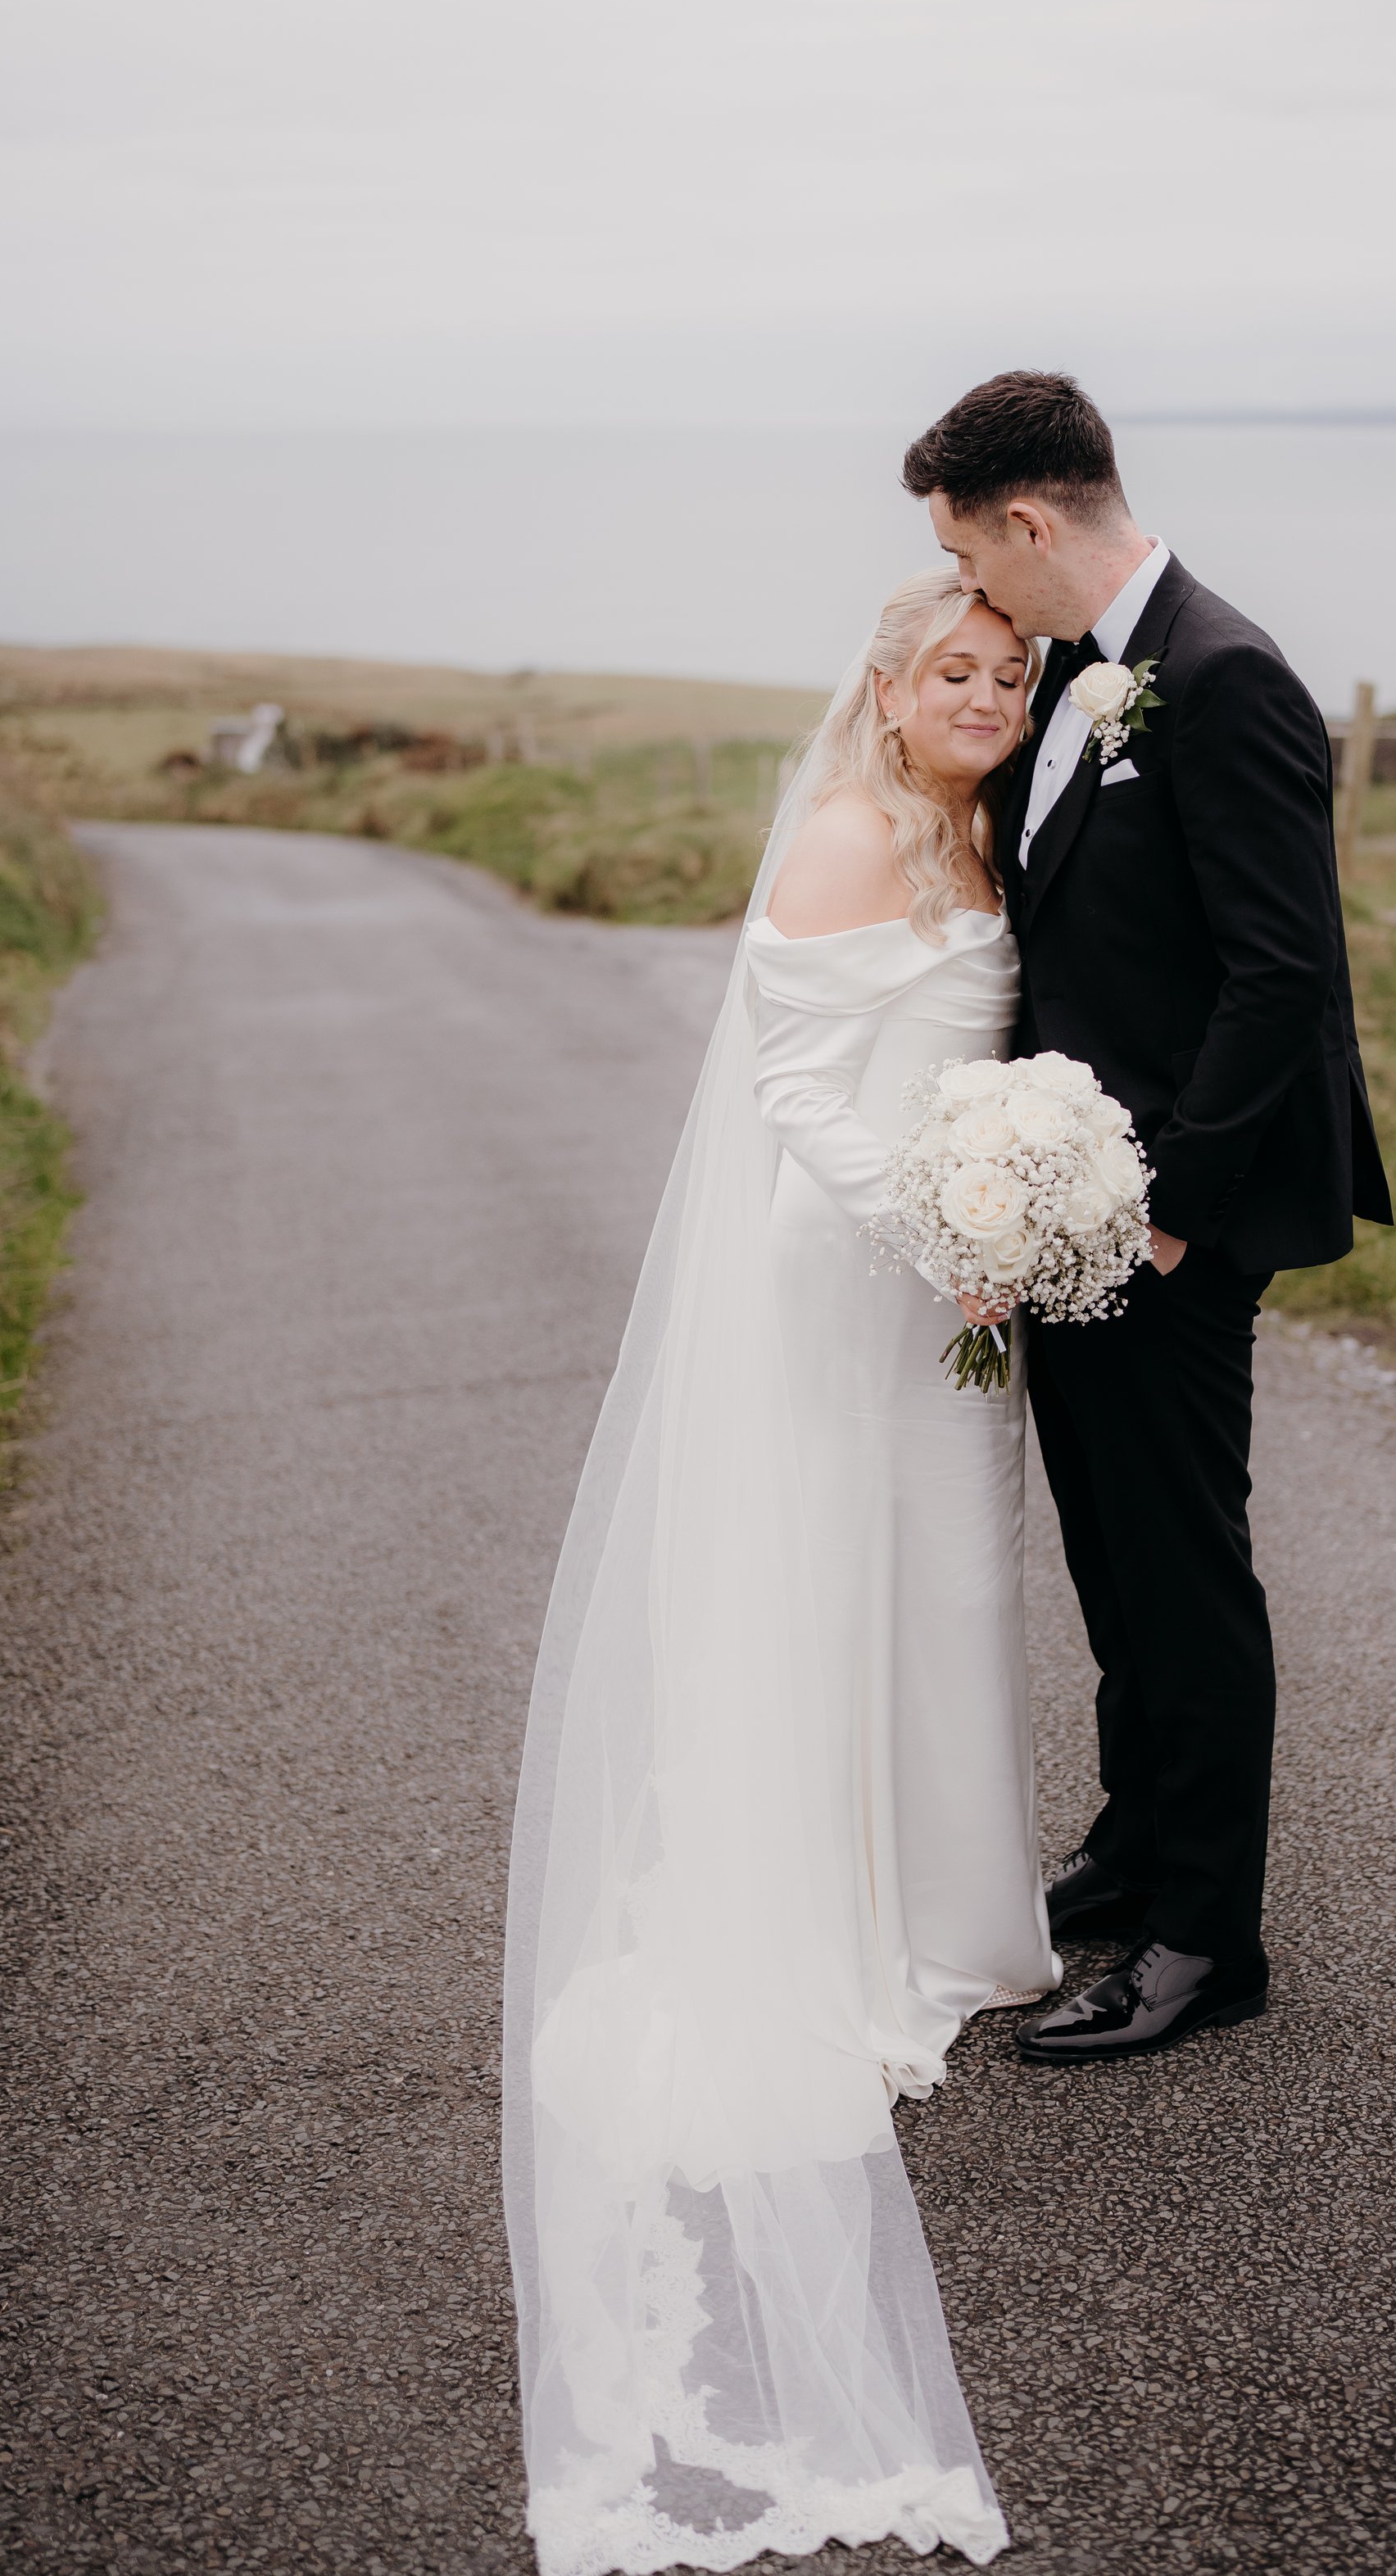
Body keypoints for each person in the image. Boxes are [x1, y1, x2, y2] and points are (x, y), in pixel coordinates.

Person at [502, 570, 1054, 2574]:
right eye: (950, 673)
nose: (982, 696)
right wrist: (937, 1211)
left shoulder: (988, 829)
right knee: (832, 1594)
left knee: (953, 1601)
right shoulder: (845, 833)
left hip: (953, 1288)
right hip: (851, 1279)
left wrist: (1013, 1195)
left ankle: (952, 1912)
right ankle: (841, 1931)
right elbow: (799, 1089)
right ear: (889, 689)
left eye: (1005, 672)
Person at [907, 370, 1391, 2066]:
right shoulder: (1083, 680)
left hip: (1170, 1223)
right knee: (1109, 1550)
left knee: (1182, 1569)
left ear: (1028, 520)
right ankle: (1131, 1848)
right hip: (1063, 1211)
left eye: (975, 549)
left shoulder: (1228, 675)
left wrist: (1168, 1212)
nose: (978, 588)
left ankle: (1205, 1936)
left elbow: (1282, 978)